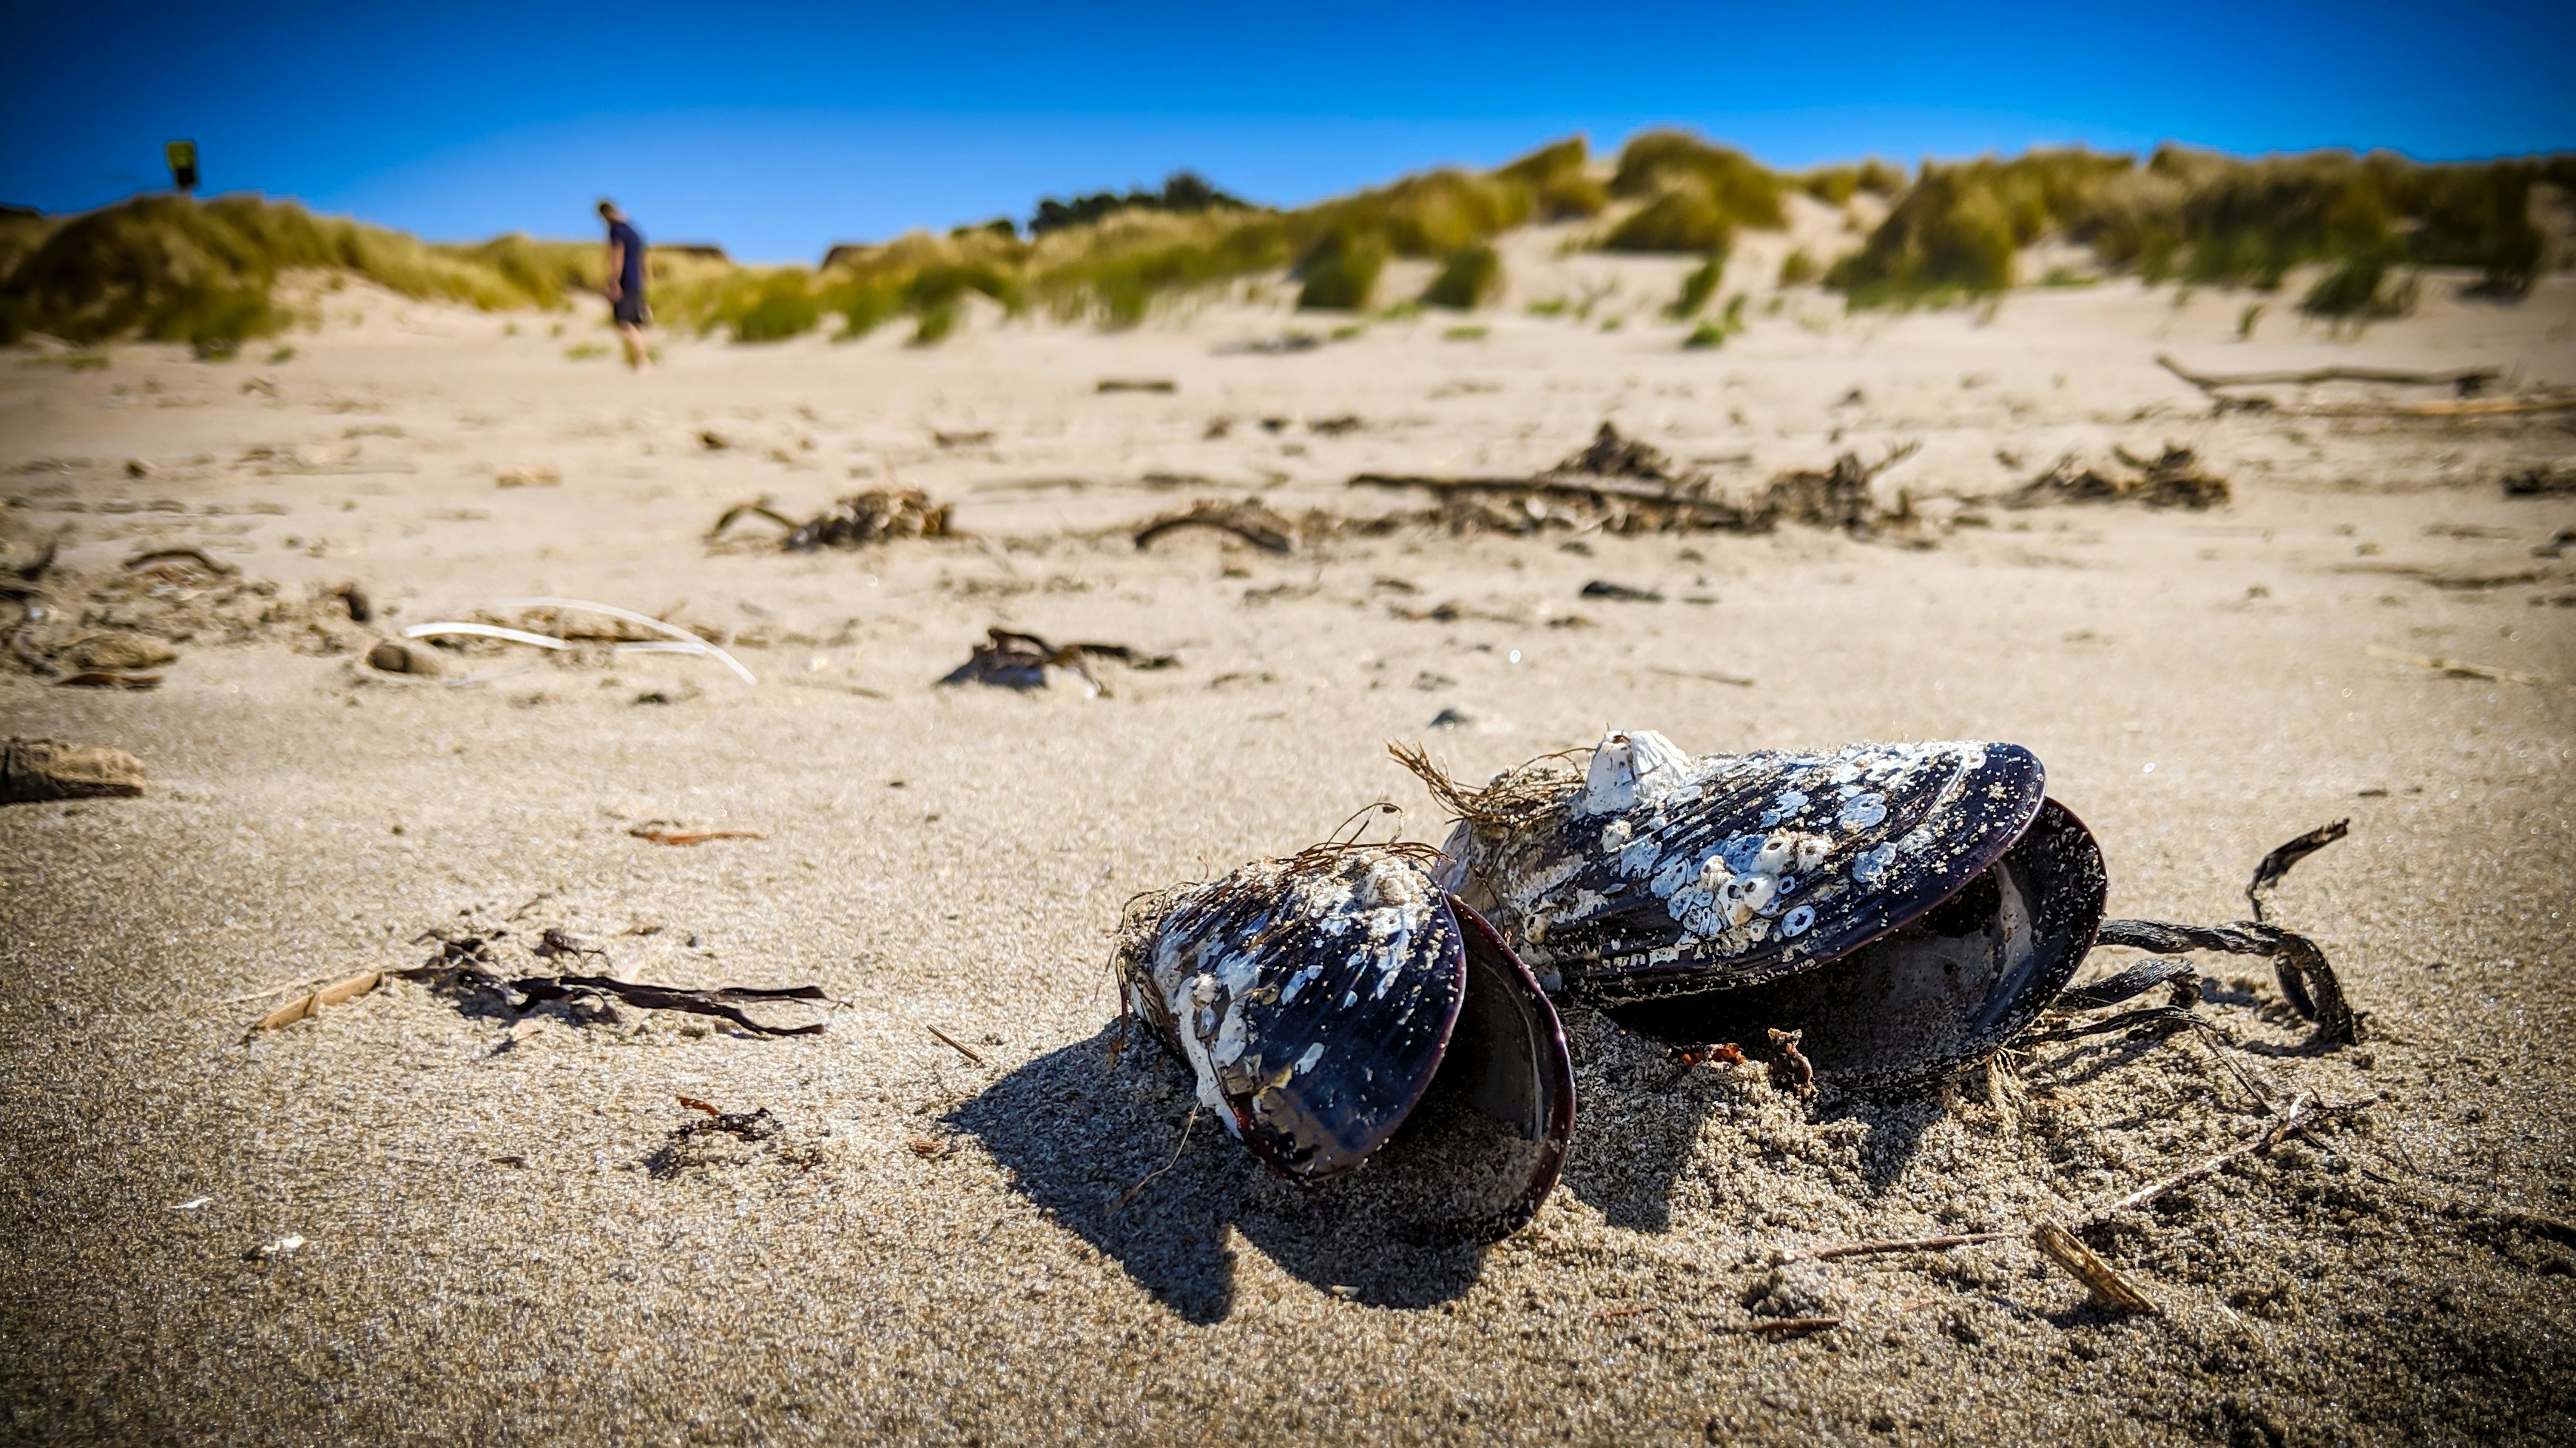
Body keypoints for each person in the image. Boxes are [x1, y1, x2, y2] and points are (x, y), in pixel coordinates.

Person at [599, 200, 651, 371]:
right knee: (636, 324)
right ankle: (641, 361)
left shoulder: (617, 230)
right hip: (637, 282)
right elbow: (644, 259)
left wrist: (614, 281)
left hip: (626, 282)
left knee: (625, 323)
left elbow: (617, 255)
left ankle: (642, 362)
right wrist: (645, 279)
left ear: (605, 214)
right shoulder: (633, 230)